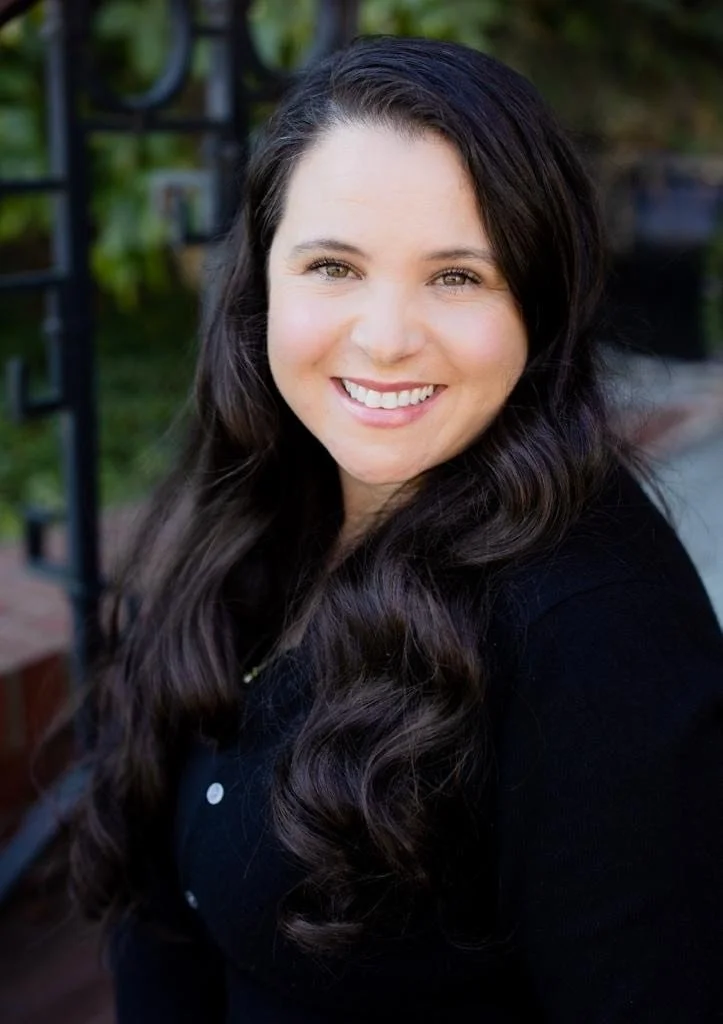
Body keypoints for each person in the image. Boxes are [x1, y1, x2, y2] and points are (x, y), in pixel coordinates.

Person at [69, 34, 723, 1023]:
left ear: (536, 303)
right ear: (263, 281)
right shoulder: (275, 499)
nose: (384, 338)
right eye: (334, 265)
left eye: (457, 275)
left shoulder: (597, 640)